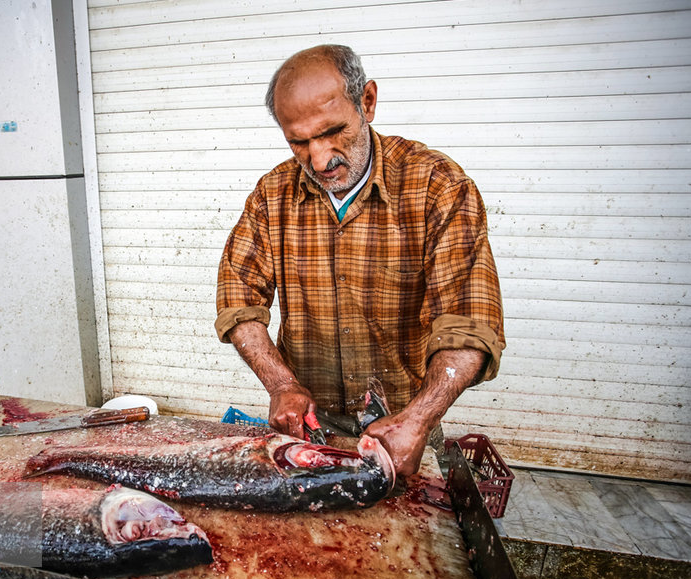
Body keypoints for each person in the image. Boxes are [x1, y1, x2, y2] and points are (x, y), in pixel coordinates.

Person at [214, 45, 504, 477]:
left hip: (403, 424)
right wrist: (281, 384)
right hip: (309, 425)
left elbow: (469, 322)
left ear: (366, 101)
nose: (319, 158)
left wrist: (420, 419)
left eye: (333, 131)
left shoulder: (438, 185)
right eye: (299, 142)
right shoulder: (271, 195)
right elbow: (238, 300)